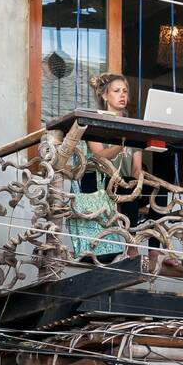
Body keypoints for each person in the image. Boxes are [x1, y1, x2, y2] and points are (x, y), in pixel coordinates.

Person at [67, 72, 143, 261]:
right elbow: (99, 155)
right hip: (97, 179)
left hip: (121, 184)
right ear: (104, 96)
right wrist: (120, 145)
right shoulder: (96, 122)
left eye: (125, 91)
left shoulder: (133, 126)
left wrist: (137, 183)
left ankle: (153, 252)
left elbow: (137, 168)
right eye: (117, 91)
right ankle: (130, 246)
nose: (122, 95)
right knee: (121, 184)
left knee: (141, 186)